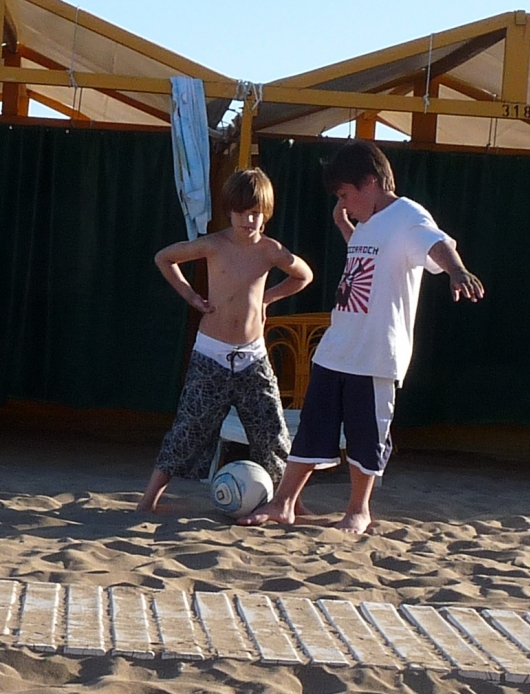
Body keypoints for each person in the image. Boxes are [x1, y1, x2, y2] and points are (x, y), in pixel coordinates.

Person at [239, 140, 485, 534]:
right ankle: (283, 503)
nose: (344, 202)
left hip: (375, 354)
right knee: (313, 428)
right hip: (338, 347)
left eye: (345, 194)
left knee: (367, 433)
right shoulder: (368, 223)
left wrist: (457, 271)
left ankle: (358, 508)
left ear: (369, 182)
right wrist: (344, 226)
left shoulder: (408, 215)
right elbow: (368, 262)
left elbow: (437, 243)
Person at [137, 168, 313, 512]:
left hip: (253, 357)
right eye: (241, 212)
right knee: (189, 427)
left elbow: (303, 275)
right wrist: (190, 295)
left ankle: (291, 502)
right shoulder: (214, 244)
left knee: (272, 432)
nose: (249, 220)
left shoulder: (270, 250)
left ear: (266, 213)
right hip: (211, 354)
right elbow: (165, 257)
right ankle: (149, 499)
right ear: (229, 211)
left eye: (256, 213)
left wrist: (268, 298)